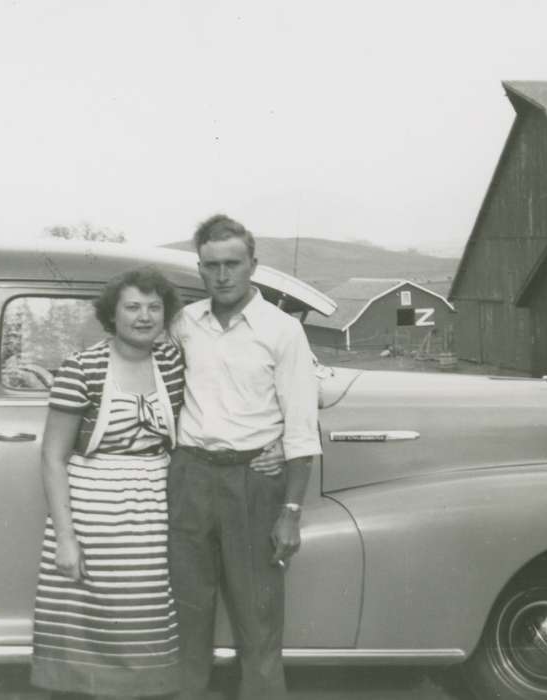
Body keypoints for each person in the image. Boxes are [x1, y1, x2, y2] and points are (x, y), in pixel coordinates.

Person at [168, 214, 321, 700]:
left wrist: (290, 511)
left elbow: (300, 423)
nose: (222, 274)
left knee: (258, 615)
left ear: (253, 264)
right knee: (188, 610)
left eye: (233, 263)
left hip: (253, 481)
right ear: (200, 267)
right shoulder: (184, 323)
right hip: (190, 475)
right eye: (211, 265)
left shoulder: (282, 331)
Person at [31, 267, 185, 700]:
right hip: (92, 512)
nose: (144, 316)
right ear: (112, 314)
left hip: (152, 511)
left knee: (145, 618)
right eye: (132, 306)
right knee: (88, 624)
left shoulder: (172, 364)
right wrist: (66, 539)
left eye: (154, 307)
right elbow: (53, 456)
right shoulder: (82, 369)